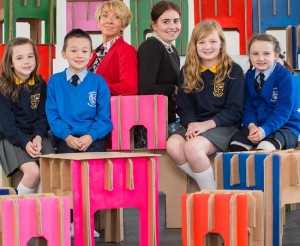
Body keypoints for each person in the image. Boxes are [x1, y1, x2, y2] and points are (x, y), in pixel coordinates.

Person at [166, 20, 244, 190]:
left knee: (193, 148)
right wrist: (191, 124)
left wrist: (205, 125)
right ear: (194, 46)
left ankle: (211, 196)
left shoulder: (233, 70)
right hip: (196, 124)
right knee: (172, 145)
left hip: (224, 125)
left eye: (213, 41)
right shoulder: (187, 71)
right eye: (201, 42)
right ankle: (212, 187)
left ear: (221, 44)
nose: (207, 47)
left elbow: (235, 110)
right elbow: (184, 107)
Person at [0, 37, 55, 194]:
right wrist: (25, 143)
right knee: (33, 173)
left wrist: (38, 137)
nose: (26, 61)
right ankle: (19, 212)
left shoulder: (40, 84)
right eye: (19, 58)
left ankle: (43, 212)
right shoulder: (3, 87)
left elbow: (42, 116)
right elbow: (7, 126)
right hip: (11, 138)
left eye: (30, 56)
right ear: (10, 63)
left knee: (52, 169)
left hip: (35, 136)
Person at [46, 28, 112, 154]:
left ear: (91, 54)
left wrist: (91, 136)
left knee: (94, 170)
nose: (79, 55)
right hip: (66, 138)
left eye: (84, 51)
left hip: (93, 138)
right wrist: (67, 136)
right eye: (74, 50)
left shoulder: (99, 82)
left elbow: (104, 118)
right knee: (68, 169)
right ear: (64, 53)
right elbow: (53, 116)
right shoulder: (55, 81)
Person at [230, 34, 300, 151]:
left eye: (266, 53)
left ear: (276, 56)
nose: (260, 58)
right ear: (249, 56)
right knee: (236, 146)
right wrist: (252, 126)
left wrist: (264, 130)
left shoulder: (284, 76)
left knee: (265, 147)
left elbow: (284, 110)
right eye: (255, 54)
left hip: (285, 126)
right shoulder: (248, 77)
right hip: (256, 125)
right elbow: (247, 107)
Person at [137, 0, 182, 136]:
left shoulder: (171, 49)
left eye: (176, 21)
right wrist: (174, 89)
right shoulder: (152, 46)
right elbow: (146, 89)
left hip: (168, 120)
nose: (173, 26)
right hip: (153, 126)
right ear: (154, 25)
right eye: (166, 21)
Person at [87, 0, 138, 96]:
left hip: (108, 109)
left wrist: (96, 88)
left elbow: (130, 88)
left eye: (116, 17)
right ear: (99, 22)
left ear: (123, 25)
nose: (109, 21)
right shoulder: (94, 53)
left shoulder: (126, 50)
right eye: (105, 15)